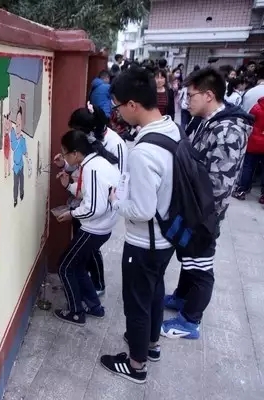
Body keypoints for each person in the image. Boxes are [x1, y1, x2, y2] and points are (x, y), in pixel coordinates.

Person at [99, 66, 180, 384]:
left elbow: (142, 210)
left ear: (132, 104)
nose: (117, 113)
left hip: (145, 243)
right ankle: (151, 345)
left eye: (118, 106)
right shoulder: (171, 130)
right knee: (155, 292)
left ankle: (136, 365)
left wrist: (115, 199)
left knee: (136, 303)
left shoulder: (143, 152)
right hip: (167, 237)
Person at [162, 68, 253, 340]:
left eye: (191, 96)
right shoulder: (207, 121)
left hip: (203, 213)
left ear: (209, 95)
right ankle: (182, 297)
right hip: (193, 206)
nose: (186, 101)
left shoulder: (228, 131)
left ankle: (191, 321)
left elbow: (219, 186)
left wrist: (200, 218)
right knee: (189, 257)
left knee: (201, 266)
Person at [52, 129, 121, 326]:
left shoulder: (92, 168)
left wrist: (71, 213)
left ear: (75, 153)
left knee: (65, 267)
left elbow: (93, 208)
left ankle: (76, 312)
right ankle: (94, 307)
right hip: (103, 226)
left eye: (65, 153)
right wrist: (68, 185)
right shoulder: (94, 162)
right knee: (78, 266)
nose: (64, 157)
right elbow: (89, 193)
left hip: (94, 229)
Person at [233, 96, 264, 203]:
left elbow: (248, 121)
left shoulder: (257, 107)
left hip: (253, 142)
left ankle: (242, 190)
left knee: (248, 166)